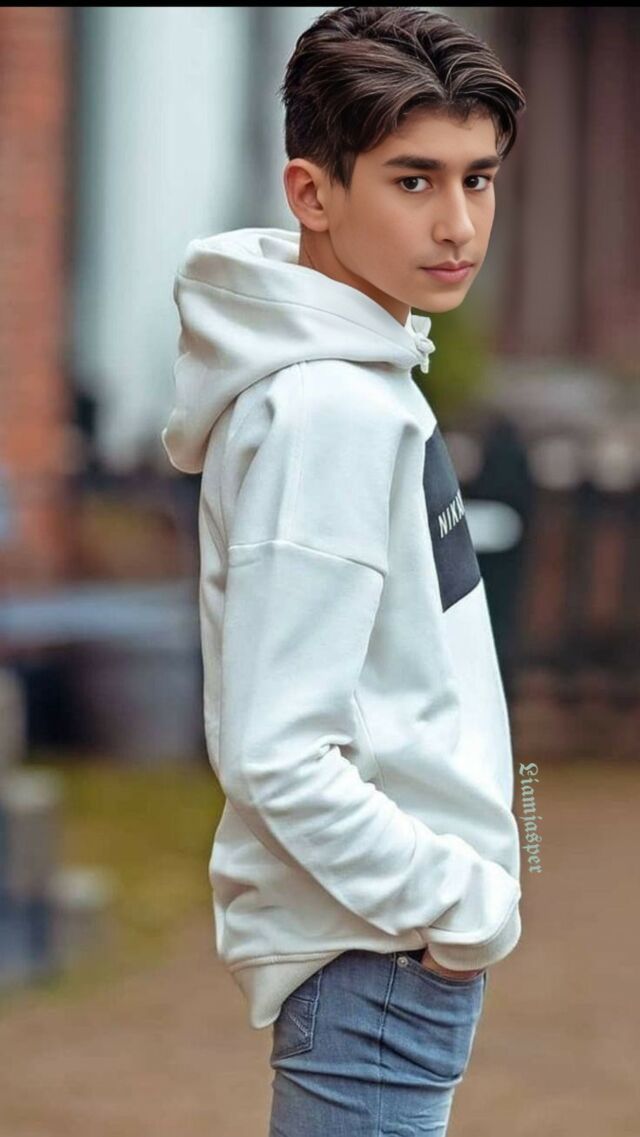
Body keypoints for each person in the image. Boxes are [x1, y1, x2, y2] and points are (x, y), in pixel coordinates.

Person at [161, 7, 527, 1135]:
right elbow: (275, 750)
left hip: (387, 953)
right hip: (376, 959)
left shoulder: (364, 380)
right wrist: (460, 908)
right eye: (413, 181)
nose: (457, 223)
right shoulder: (327, 409)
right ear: (312, 194)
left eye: (477, 178)